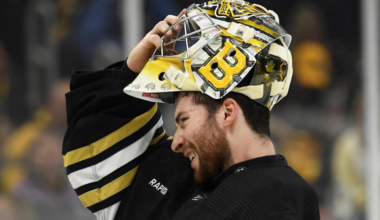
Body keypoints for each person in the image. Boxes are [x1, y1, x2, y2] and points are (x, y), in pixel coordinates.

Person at [63, 1, 320, 219]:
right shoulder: (183, 171)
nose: (177, 141)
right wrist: (128, 73)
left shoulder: (282, 196)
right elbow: (91, 163)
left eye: (183, 121)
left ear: (227, 113)